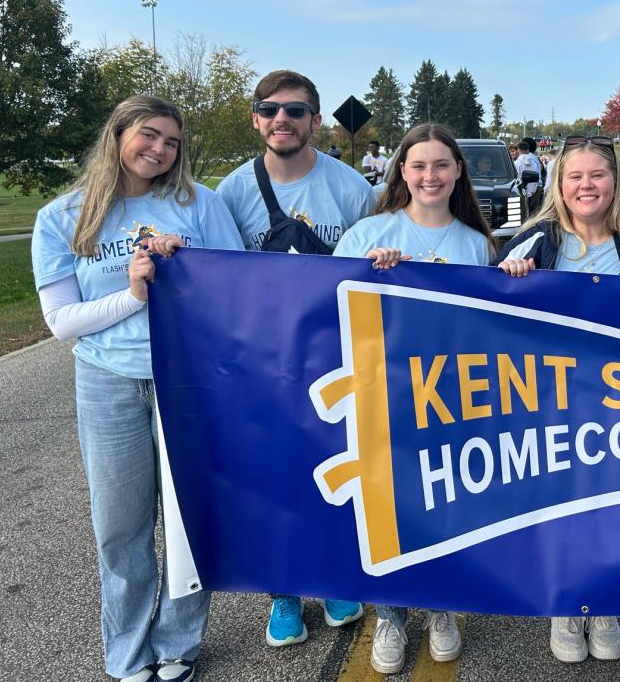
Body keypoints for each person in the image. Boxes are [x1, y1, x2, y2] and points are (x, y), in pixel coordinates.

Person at [31, 96, 244, 682]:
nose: (160, 150)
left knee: (185, 519)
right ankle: (127, 653)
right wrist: (134, 294)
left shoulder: (199, 204)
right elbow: (62, 322)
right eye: (149, 135)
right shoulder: (63, 217)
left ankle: (179, 642)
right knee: (120, 527)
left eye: (172, 142)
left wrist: (189, 269)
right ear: (118, 134)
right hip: (108, 381)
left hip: (189, 381)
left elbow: (237, 291)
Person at [495, 135, 620, 664]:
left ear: (615, 181)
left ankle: (605, 604)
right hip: (549, 403)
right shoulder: (532, 242)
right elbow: (484, 318)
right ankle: (565, 604)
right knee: (560, 508)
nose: (586, 186)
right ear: (558, 183)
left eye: (596, 175)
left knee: (613, 509)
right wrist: (507, 282)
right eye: (574, 176)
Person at [215, 70, 375, 647]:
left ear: (315, 119)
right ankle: (282, 590)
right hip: (260, 358)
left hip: (333, 353)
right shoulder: (230, 193)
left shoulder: (352, 188)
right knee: (273, 473)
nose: (282, 119)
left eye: (295, 110)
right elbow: (215, 280)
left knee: (336, 472)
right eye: (269, 109)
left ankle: (334, 575)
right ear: (255, 119)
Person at [333, 123, 494, 673]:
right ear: (402, 170)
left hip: (454, 398)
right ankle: (391, 614)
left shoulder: (476, 244)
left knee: (448, 503)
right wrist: (365, 273)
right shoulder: (368, 233)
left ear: (457, 173)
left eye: (441, 166)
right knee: (389, 507)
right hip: (385, 394)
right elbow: (322, 309)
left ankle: (443, 605)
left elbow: (494, 328)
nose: (430, 175)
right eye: (419, 165)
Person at [514, 137, 543, 214]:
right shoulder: (533, 158)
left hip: (528, 189)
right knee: (533, 213)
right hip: (535, 187)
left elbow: (520, 176)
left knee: (527, 213)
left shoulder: (521, 161)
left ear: (518, 149)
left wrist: (529, 192)